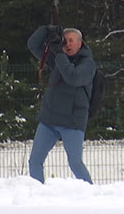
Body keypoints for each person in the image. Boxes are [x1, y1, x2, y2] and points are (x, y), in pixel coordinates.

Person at [26, 25, 95, 184]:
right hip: (50, 119)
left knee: (75, 163)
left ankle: (91, 194)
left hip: (72, 122)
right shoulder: (58, 57)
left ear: (80, 43)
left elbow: (73, 77)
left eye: (71, 41)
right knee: (35, 161)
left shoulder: (88, 64)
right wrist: (45, 30)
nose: (67, 44)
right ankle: (37, 195)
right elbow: (33, 45)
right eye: (64, 41)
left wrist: (59, 54)